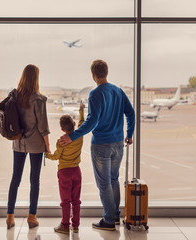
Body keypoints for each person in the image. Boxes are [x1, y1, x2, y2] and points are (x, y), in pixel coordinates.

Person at [59, 59, 135, 231]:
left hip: (101, 145)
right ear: (106, 72)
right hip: (117, 144)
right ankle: (114, 215)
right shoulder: (118, 91)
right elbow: (131, 113)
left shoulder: (95, 94)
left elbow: (91, 122)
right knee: (114, 179)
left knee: (104, 183)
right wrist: (129, 134)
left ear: (93, 75)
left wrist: (73, 136)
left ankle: (108, 220)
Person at [6, 64, 50, 229]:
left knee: (15, 179)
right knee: (34, 180)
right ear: (36, 78)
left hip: (18, 143)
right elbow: (43, 126)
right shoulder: (39, 99)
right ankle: (32, 216)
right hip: (36, 144)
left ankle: (10, 216)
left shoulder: (14, 96)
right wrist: (47, 145)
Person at [45, 101, 85, 234]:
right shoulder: (79, 136)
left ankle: (65, 225)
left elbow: (56, 156)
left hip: (64, 173)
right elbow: (82, 122)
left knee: (65, 201)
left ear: (62, 129)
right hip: (76, 171)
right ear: (73, 124)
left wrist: (46, 155)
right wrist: (81, 109)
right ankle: (76, 225)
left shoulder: (61, 141)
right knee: (76, 200)